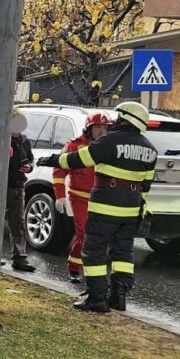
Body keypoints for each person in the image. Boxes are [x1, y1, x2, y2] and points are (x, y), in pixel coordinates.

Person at [56, 99, 157, 314]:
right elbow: (145, 186)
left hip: (105, 208)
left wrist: (53, 160)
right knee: (123, 253)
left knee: (94, 251)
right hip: (131, 210)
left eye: (119, 117)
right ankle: (118, 297)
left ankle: (96, 298)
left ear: (127, 119)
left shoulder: (110, 142)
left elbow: (80, 159)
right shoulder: (150, 149)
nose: (116, 122)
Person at [52, 111, 111, 286]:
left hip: (102, 198)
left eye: (105, 128)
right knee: (84, 233)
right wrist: (60, 195)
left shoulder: (109, 148)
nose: (102, 131)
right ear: (88, 128)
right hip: (80, 197)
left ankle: (95, 271)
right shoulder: (73, 146)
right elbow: (59, 169)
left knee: (100, 236)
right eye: (98, 127)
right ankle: (74, 267)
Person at [4, 111, 36, 271]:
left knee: (18, 222)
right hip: (3, 185)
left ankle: (20, 257)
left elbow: (30, 159)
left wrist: (29, 167)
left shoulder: (24, 141)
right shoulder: (3, 139)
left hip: (18, 185)